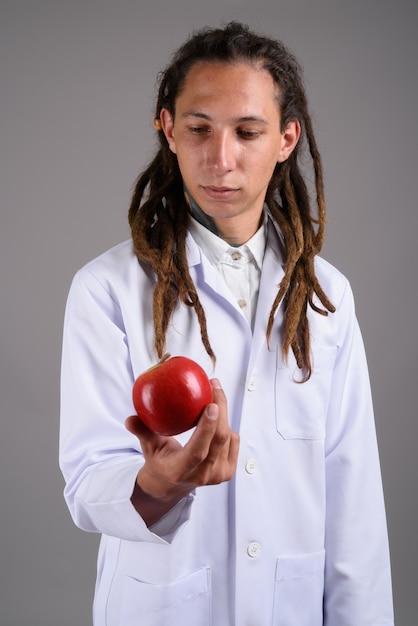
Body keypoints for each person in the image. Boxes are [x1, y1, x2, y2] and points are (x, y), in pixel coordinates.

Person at [59, 22, 394, 625]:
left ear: (287, 139)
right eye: (198, 129)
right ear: (167, 130)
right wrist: (157, 483)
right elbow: (88, 481)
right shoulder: (106, 289)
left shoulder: (327, 296)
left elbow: (355, 507)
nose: (221, 159)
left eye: (247, 132)